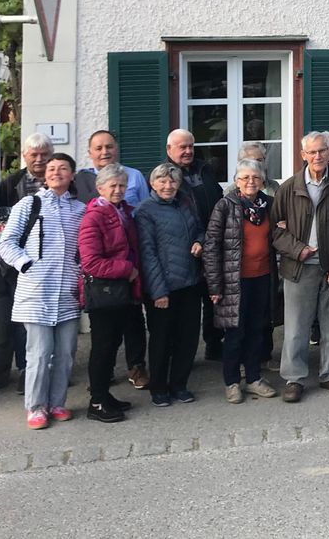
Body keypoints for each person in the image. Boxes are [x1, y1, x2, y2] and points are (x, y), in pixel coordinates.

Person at [0, 153, 85, 430]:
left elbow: (84, 249)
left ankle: (57, 403)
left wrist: (81, 272)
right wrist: (26, 264)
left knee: (66, 352)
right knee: (40, 352)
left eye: (63, 168)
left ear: (72, 175)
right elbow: (5, 242)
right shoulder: (29, 204)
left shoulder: (80, 209)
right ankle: (36, 407)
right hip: (36, 292)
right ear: (45, 175)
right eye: (52, 168)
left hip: (68, 292)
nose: (57, 172)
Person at [271, 132, 329, 403]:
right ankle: (294, 378)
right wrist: (298, 250)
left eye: (322, 151)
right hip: (299, 268)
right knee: (297, 327)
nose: (318, 156)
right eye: (312, 152)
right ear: (303, 155)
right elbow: (274, 229)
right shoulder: (289, 187)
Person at [204, 159, 279, 404]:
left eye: (255, 178)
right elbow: (211, 246)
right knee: (235, 334)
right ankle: (232, 382)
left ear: (262, 181)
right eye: (245, 177)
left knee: (257, 330)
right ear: (236, 181)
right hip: (234, 281)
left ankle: (254, 377)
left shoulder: (269, 205)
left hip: (262, 277)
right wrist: (215, 286)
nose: (250, 182)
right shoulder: (225, 206)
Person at [0, 132, 54, 393]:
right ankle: (27, 370)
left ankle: (50, 367)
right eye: (34, 154)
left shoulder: (61, 180)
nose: (39, 159)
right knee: (26, 319)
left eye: (44, 154)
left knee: (53, 316)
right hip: (20, 266)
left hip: (54, 264)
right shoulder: (11, 183)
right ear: (25, 156)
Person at [135, 163, 203, 406]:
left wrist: (199, 241)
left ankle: (179, 385)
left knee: (188, 338)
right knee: (162, 340)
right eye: (162, 181)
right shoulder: (145, 211)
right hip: (163, 287)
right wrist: (158, 291)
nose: (168, 185)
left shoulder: (185, 203)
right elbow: (147, 253)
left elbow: (200, 230)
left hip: (190, 283)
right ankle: (159, 388)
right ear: (152, 184)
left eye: (172, 181)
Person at [78, 164, 142, 423]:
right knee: (102, 348)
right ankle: (96, 402)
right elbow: (90, 262)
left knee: (113, 343)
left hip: (121, 291)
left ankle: (105, 395)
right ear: (100, 188)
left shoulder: (123, 211)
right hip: (104, 293)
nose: (118, 190)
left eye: (122, 185)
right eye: (112, 186)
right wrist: (127, 269)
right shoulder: (94, 216)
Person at [159, 130, 223, 360]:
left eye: (190, 146)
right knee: (185, 306)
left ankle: (214, 346)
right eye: (181, 147)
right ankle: (181, 354)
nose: (187, 151)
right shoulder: (164, 176)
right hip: (183, 250)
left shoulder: (204, 169)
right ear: (169, 150)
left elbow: (217, 200)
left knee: (213, 297)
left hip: (211, 241)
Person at [74, 130, 151, 206]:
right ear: (90, 154)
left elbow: (146, 208)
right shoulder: (82, 179)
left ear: (116, 149)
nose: (105, 152)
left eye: (109, 147)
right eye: (99, 148)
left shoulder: (135, 176)